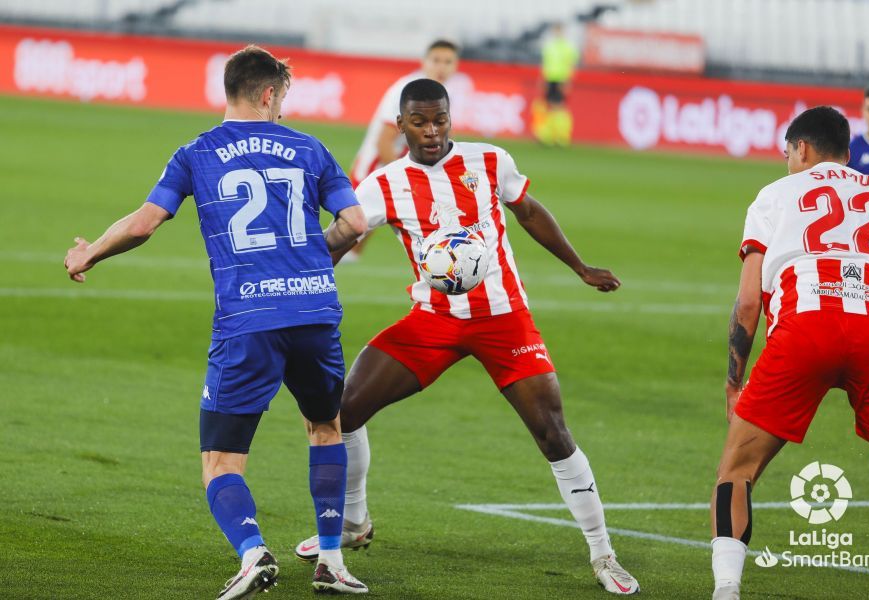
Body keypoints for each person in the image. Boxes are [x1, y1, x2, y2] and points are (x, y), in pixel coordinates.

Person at [294, 78, 640, 595]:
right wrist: (303, 283)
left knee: (552, 433)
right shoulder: (384, 185)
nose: (431, 132)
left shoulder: (490, 161)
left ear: (450, 118)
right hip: (432, 319)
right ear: (401, 125)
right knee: (340, 410)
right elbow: (343, 237)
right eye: (419, 122)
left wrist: (579, 266)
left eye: (439, 120)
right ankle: (353, 523)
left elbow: (528, 211)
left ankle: (603, 552)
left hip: (505, 319)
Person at [64, 45, 370, 597]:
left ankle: (253, 552)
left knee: (221, 459)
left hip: (248, 319)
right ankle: (331, 561)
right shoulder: (310, 147)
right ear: (269, 93)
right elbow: (354, 222)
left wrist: (91, 253)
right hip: (315, 312)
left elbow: (144, 224)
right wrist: (308, 265)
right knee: (326, 428)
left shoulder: (197, 152)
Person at [709, 106, 869, 600]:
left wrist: (734, 380)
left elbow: (749, 300)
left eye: (787, 153)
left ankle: (726, 590)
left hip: (806, 326)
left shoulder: (775, 194)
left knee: (736, 470)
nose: (787, 162)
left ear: (803, 149)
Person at [345, 39, 460, 262]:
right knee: (350, 227)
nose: (441, 67)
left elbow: (444, 136)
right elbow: (384, 142)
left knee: (366, 224)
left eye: (448, 62)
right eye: (436, 60)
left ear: (456, 66)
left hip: (403, 163)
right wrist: (408, 178)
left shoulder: (441, 93)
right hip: (376, 165)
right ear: (424, 62)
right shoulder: (405, 90)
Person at [534, 22, 579, 147]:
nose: (557, 33)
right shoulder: (549, 46)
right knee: (548, 106)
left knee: (559, 107)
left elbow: (571, 65)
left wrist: (568, 80)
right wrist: (542, 79)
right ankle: (547, 136)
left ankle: (562, 137)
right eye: (556, 30)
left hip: (561, 79)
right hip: (549, 79)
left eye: (559, 30)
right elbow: (545, 64)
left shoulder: (567, 47)